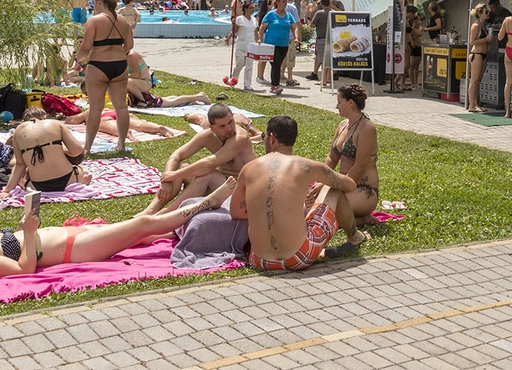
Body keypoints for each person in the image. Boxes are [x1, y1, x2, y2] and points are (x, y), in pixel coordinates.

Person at [0, 178, 236, 278]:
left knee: (146, 235)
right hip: (75, 250)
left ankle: (194, 226)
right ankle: (206, 204)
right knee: (141, 225)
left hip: (74, 237)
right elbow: (24, 271)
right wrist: (31, 231)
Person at [230, 115, 369, 271]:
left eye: (263, 136)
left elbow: (236, 211)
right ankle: (355, 237)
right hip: (298, 257)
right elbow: (349, 185)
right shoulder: (306, 166)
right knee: (334, 189)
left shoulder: (248, 169)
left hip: (259, 260)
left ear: (272, 138)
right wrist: (324, 182)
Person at [146, 103, 255, 215]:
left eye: (230, 122)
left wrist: (174, 175)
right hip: (222, 184)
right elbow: (177, 155)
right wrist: (167, 177)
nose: (229, 128)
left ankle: (164, 215)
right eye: (222, 126)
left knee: (208, 174)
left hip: (242, 189)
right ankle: (149, 212)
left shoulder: (240, 138)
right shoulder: (207, 135)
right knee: (182, 166)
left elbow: (208, 164)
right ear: (212, 128)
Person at [77, 0, 135, 156]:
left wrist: (78, 61)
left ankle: (87, 147)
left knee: (95, 108)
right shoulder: (123, 21)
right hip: (119, 65)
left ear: (98, 2)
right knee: (121, 107)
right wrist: (118, 53)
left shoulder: (94, 21)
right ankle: (121, 145)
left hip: (98, 65)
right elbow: (129, 46)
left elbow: (86, 47)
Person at [323, 85, 380, 225]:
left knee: (326, 214)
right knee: (311, 205)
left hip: (363, 190)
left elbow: (360, 166)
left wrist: (336, 186)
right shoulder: (343, 125)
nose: (336, 106)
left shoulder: (367, 129)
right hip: (342, 185)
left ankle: (362, 219)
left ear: (350, 103)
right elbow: (332, 158)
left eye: (339, 102)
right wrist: (321, 180)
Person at [5, 107, 91, 191]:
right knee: (78, 168)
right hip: (67, 179)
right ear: (44, 117)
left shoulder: (18, 132)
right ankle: (81, 180)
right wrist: (62, 150)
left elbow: (20, 165)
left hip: (37, 186)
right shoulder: (56, 124)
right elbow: (77, 150)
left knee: (22, 178)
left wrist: (7, 190)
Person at [125, 53, 212, 109]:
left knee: (170, 102)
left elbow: (135, 75)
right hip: (139, 85)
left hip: (144, 83)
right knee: (166, 100)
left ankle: (199, 97)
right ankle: (192, 99)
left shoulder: (131, 56)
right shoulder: (125, 55)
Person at [257, 0, 299, 95]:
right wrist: (259, 38)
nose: (285, 4)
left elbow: (294, 27)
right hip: (271, 44)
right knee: (276, 63)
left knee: (278, 64)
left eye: (286, 2)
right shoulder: (271, 14)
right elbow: (262, 27)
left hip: (283, 44)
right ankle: (275, 85)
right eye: (283, 2)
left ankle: (273, 85)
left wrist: (297, 37)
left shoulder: (289, 15)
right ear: (278, 3)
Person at [466, 4, 492, 113]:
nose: (488, 14)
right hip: (476, 54)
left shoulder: (484, 25)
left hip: (483, 54)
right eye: (486, 12)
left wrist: (488, 44)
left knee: (478, 81)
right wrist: (485, 40)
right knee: (474, 80)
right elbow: (472, 41)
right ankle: (471, 105)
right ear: (480, 14)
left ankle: (476, 103)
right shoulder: (476, 26)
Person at [230, 1, 258, 91]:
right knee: (239, 64)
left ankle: (247, 84)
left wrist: (258, 41)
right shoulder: (240, 19)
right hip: (241, 45)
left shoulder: (254, 20)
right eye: (251, 8)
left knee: (249, 66)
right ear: (245, 9)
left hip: (251, 46)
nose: (253, 10)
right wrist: (228, 38)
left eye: (253, 8)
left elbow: (255, 32)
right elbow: (235, 31)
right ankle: (233, 80)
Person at [280, 0, 301, 85]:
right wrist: (299, 35)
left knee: (282, 56)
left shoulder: (275, 8)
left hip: (279, 37)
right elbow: (297, 23)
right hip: (290, 36)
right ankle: (290, 78)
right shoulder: (292, 8)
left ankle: (280, 74)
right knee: (290, 57)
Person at [310, 0, 332, 88]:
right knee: (329, 59)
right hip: (332, 39)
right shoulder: (333, 12)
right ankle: (329, 78)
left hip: (322, 38)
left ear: (321, 4)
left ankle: (323, 80)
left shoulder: (319, 13)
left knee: (323, 59)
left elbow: (312, 25)